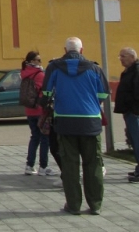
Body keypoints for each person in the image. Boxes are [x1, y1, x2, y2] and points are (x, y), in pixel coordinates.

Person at [41, 37, 109, 216]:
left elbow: (46, 92)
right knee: (93, 163)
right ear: (82, 50)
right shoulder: (94, 68)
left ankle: (73, 205)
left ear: (65, 50)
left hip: (65, 121)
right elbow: (103, 93)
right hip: (90, 121)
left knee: (70, 165)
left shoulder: (54, 67)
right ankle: (95, 204)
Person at [21, 51, 56, 176]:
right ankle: (43, 166)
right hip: (41, 111)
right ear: (31, 61)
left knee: (34, 137)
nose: (40, 62)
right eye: (38, 60)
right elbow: (45, 92)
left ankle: (29, 165)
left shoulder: (24, 74)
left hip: (29, 110)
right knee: (44, 138)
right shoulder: (40, 75)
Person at [113, 47, 139, 182]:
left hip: (134, 112)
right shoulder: (129, 71)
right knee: (135, 141)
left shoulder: (137, 70)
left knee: (138, 140)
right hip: (129, 111)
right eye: (120, 56)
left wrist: (134, 109)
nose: (121, 59)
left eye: (123, 56)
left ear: (132, 57)